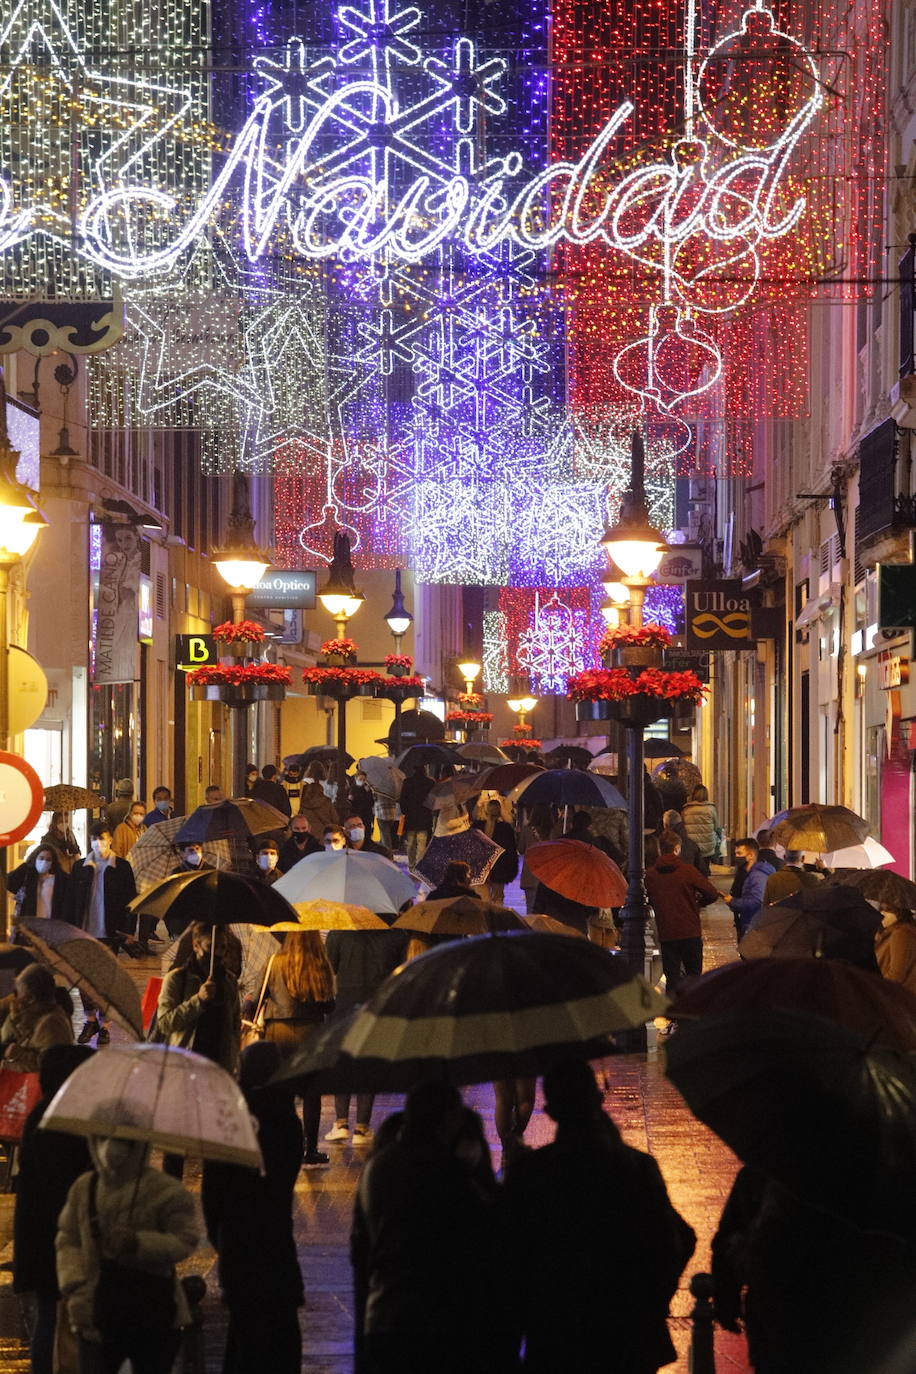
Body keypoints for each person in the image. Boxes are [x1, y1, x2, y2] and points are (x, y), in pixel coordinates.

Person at [504, 1060, 695, 1374]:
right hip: (626, 1337)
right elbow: (676, 1240)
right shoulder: (636, 1167)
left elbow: (507, 1261)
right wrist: (651, 1303)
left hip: (555, 1339)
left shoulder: (530, 1175)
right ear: (597, 1101)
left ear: (551, 1111)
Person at [353, 1081, 508, 1374]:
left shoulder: (377, 1167)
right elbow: (486, 1238)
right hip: (442, 1322)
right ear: (448, 1119)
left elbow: (361, 1257)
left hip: (385, 1319)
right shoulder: (450, 1172)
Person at [56, 1125, 200, 1374]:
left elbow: (184, 1239)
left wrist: (139, 1243)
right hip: (95, 1311)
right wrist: (75, 1282)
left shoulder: (165, 1190)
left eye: (122, 1140)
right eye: (103, 1137)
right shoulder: (85, 1187)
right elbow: (68, 1239)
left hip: (151, 1311)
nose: (111, 1147)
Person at [202, 1042, 304, 1374]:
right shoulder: (288, 1120)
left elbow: (212, 1194)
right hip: (276, 1242)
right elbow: (285, 1178)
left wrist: (221, 1236)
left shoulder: (228, 1121)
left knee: (243, 1338)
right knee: (281, 1336)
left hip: (237, 1243)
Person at [14, 1044, 94, 1374]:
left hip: (44, 1237)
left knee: (52, 1316)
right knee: (53, 1318)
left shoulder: (51, 1113)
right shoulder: (58, 1119)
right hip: (54, 1238)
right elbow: (65, 1183)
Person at [324, 926, 409, 1146]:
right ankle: (362, 1128)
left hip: (343, 1007)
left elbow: (329, 968)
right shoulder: (396, 936)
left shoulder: (338, 934)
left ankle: (341, 1123)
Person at [261, 930, 335, 1165]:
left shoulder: (273, 962)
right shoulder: (319, 964)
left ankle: (281, 1144)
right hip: (310, 1033)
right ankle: (309, 1149)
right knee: (311, 1094)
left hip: (277, 1031)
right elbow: (329, 1005)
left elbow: (257, 996)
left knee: (281, 1092)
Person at [156, 922, 241, 1076]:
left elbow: (234, 1025)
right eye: (211, 947)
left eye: (222, 947)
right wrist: (198, 1000)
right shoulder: (176, 979)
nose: (218, 953)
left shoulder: (229, 981)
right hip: (184, 1068)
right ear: (196, 946)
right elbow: (165, 1023)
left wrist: (233, 1060)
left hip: (218, 1069)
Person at [644, 830, 720, 996]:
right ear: (677, 848)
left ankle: (675, 1014)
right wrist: (697, 903)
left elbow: (646, 898)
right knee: (693, 976)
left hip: (667, 931)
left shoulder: (651, 875)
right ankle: (691, 1014)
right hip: (689, 929)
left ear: (659, 849)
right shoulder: (687, 871)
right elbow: (712, 893)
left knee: (672, 976)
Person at [67, 822, 139, 958]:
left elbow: (131, 899)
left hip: (112, 930)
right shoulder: (80, 866)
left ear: (110, 840)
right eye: (94, 839)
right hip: (85, 928)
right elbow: (71, 899)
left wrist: (129, 930)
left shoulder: (122, 867)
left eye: (102, 839)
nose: (98, 843)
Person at [0, 963, 73, 1071]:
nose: (14, 997)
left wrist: (15, 1053)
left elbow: (50, 1066)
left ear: (30, 998)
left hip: (37, 1086)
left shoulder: (52, 1023)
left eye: (18, 992)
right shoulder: (30, 1015)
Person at [724, 837, 776, 939]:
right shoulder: (746, 872)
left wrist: (733, 901)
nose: (736, 857)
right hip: (748, 922)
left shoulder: (757, 876)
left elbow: (757, 901)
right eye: (736, 853)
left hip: (753, 924)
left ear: (751, 855)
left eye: (739, 853)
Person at [7, 845, 71, 923]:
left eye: (48, 859)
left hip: (50, 924)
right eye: (41, 858)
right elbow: (8, 882)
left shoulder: (59, 880)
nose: (44, 862)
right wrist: (24, 867)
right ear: (35, 858)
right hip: (29, 924)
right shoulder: (27, 875)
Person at [472, 799, 518, 904]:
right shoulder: (506, 829)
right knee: (498, 899)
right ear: (499, 812)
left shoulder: (476, 828)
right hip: (499, 870)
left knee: (482, 901)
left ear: (486, 811)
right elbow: (511, 854)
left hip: (480, 870)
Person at [518, 804, 554, 913]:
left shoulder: (527, 830)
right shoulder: (553, 830)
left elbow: (520, 849)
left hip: (530, 874)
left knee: (531, 909)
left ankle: (532, 929)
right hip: (549, 876)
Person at [398, 765, 433, 871]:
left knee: (410, 843)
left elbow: (402, 799)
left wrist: (405, 811)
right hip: (424, 817)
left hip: (411, 817)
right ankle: (419, 867)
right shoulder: (430, 783)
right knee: (421, 844)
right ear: (425, 770)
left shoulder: (407, 782)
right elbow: (432, 800)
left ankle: (411, 865)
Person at [875, 907, 916, 994]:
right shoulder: (891, 932)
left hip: (892, 998)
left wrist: (874, 988)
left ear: (899, 914)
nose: (882, 913)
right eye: (881, 909)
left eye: (888, 910)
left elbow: (896, 974)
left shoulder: (901, 934)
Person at [681, 784, 719, 871]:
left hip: (692, 845)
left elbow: (683, 826)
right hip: (707, 846)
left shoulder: (686, 809)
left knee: (693, 871)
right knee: (704, 869)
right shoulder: (711, 809)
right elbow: (717, 826)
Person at [298, 763, 338, 837]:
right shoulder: (326, 801)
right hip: (324, 833)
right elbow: (335, 819)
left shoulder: (304, 804)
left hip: (308, 833)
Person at [348, 767, 376, 833]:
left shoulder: (367, 788)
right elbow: (351, 802)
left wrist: (368, 792)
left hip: (367, 815)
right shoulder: (352, 789)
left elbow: (371, 802)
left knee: (367, 832)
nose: (362, 781)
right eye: (360, 779)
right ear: (356, 779)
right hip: (357, 815)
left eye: (364, 779)